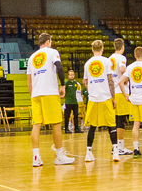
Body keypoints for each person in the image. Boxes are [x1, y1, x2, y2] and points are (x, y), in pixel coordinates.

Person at [26, 32, 75, 168]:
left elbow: (29, 80)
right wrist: (63, 85)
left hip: (36, 94)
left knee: (36, 125)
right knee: (56, 123)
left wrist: (33, 94)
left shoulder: (32, 57)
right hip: (49, 92)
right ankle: (59, 156)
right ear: (48, 42)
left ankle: (36, 157)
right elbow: (59, 67)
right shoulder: (53, 52)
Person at [82, 39, 121, 163]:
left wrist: (91, 91)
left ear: (92, 49)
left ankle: (88, 153)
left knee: (92, 126)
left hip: (93, 98)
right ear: (102, 49)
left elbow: (85, 82)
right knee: (111, 125)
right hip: (106, 97)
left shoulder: (87, 63)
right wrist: (113, 98)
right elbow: (110, 80)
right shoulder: (107, 61)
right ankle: (115, 152)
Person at [109, 37, 132, 155]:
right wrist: (127, 78)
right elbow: (123, 69)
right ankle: (120, 147)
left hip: (112, 93)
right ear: (123, 47)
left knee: (115, 120)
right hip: (120, 92)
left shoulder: (110, 58)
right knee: (121, 121)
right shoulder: (122, 58)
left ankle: (115, 146)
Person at [63, 68, 84, 135]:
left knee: (76, 115)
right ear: (68, 76)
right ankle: (66, 129)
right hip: (68, 101)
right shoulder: (66, 83)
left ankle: (77, 128)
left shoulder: (76, 83)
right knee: (67, 116)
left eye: (73, 75)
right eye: (70, 75)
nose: (72, 76)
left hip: (75, 101)